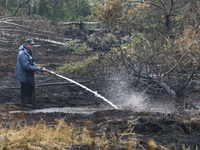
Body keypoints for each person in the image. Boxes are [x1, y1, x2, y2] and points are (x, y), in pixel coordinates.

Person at [14, 39, 43, 108]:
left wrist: (35, 65)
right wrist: (37, 69)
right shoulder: (23, 53)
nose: (32, 46)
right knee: (24, 88)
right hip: (23, 73)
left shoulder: (29, 51)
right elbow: (26, 66)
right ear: (27, 44)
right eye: (31, 45)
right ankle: (23, 104)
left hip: (28, 74)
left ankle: (29, 102)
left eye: (33, 45)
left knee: (30, 87)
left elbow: (30, 61)